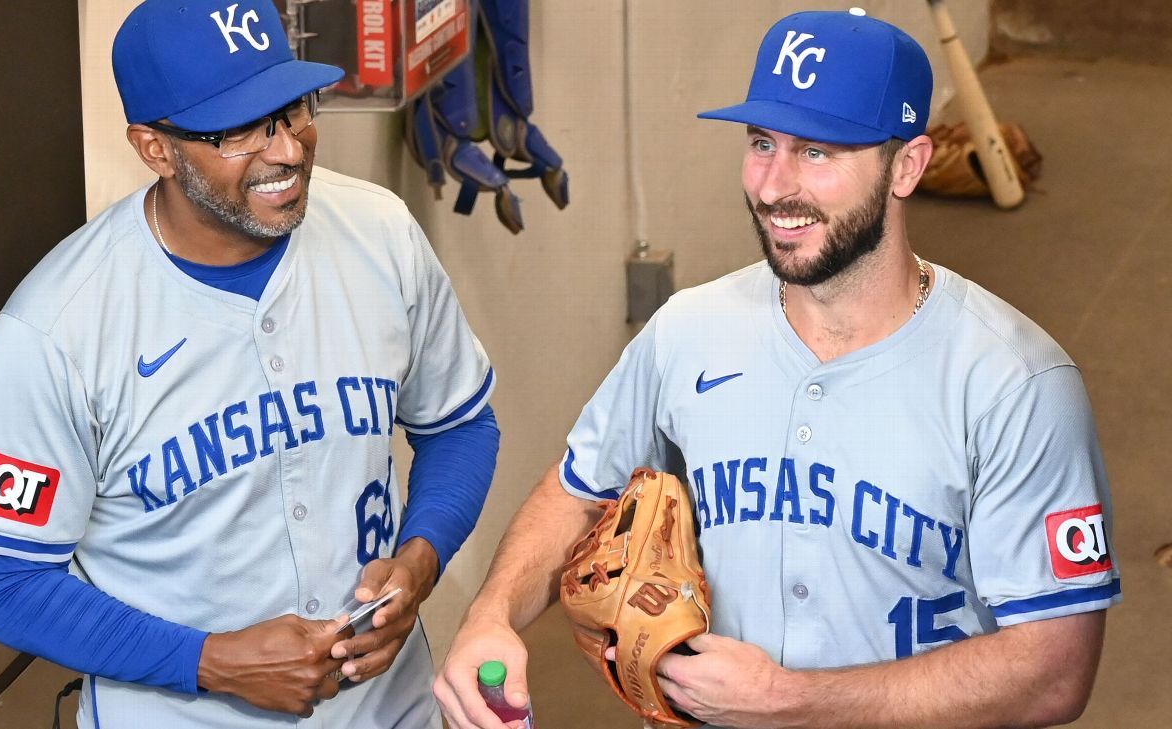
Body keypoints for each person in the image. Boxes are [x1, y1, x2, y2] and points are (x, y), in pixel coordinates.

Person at [435, 9, 1119, 729]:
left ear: (907, 166)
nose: (771, 186)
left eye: (817, 152)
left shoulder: (1016, 383)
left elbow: (1054, 671)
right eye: (762, 143)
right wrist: (491, 615)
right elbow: (578, 488)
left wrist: (788, 701)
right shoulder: (690, 329)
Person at [0, 1, 499, 726]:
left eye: (292, 110)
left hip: (387, 709)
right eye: (239, 129)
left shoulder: (379, 233)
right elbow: (11, 584)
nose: (287, 149)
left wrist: (421, 561)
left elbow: (459, 424)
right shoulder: (57, 329)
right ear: (155, 149)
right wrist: (212, 660)